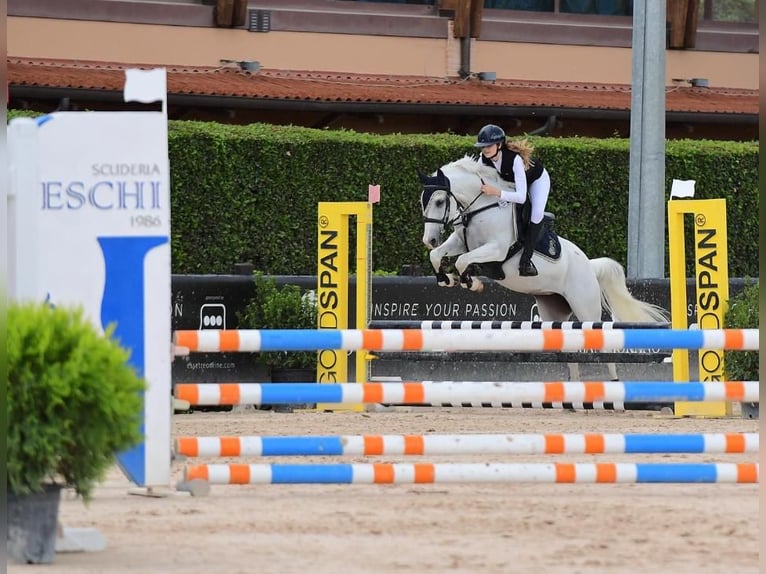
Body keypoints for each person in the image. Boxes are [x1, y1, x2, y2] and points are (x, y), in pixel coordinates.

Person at [473, 124, 550, 277]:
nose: (485, 149)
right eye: (483, 146)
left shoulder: (514, 160)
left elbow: (521, 197)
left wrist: (496, 192)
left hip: (536, 180)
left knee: (536, 213)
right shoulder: (483, 159)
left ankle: (526, 262)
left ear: (499, 144)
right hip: (510, 184)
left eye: (489, 146)